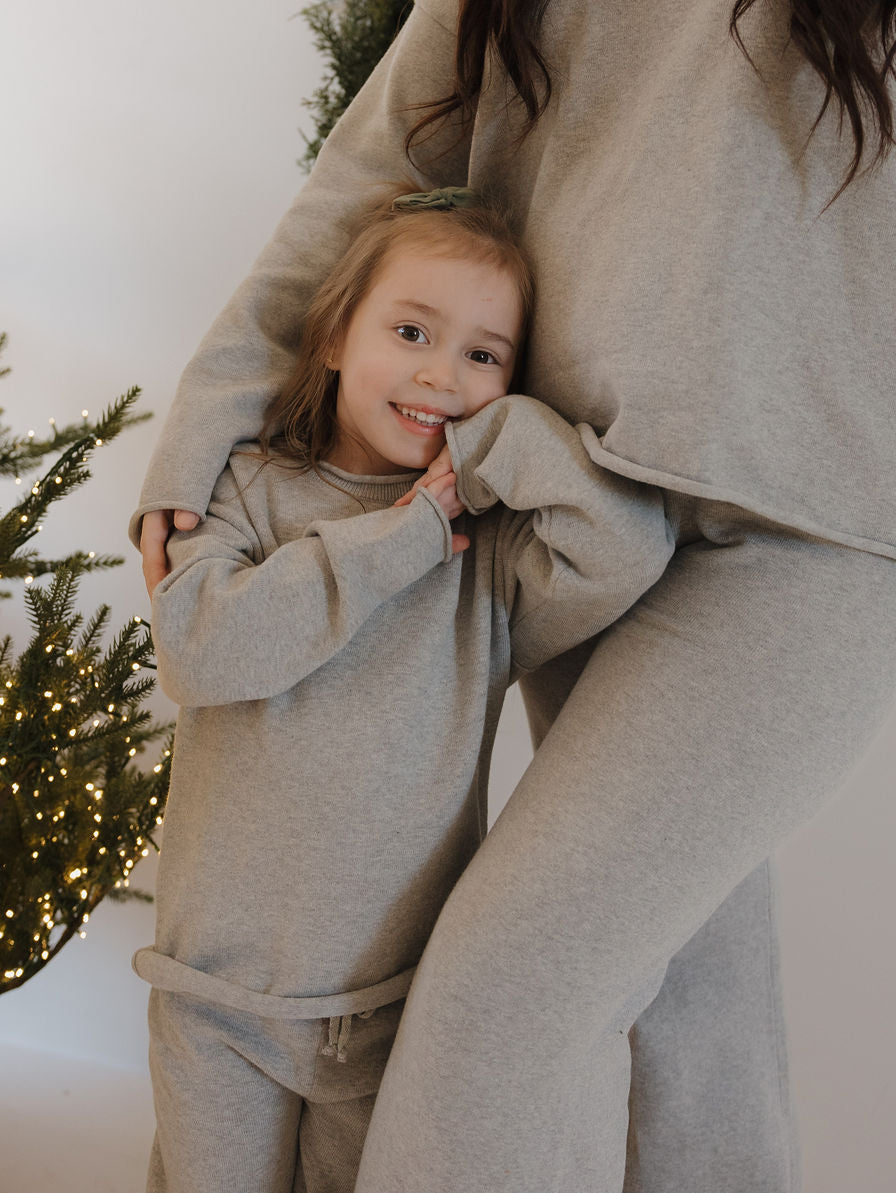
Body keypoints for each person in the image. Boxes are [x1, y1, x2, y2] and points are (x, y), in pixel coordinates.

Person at [131, 0, 896, 1187]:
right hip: (566, 519)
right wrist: (201, 429)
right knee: (692, 1024)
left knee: (495, 1010)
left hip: (806, 538)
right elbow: (380, 163)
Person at [132, 183, 675, 1193]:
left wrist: (498, 441)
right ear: (337, 336)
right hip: (215, 1003)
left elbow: (626, 550)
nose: (442, 372)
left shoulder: (491, 560)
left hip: (387, 1017)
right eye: (413, 330)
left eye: (484, 354)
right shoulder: (248, 490)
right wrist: (404, 539)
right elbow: (203, 651)